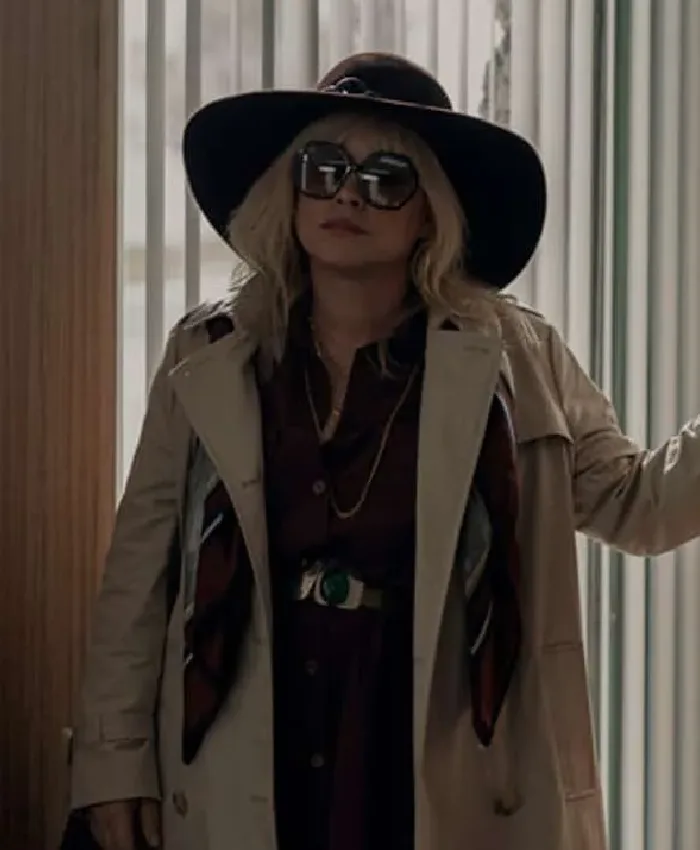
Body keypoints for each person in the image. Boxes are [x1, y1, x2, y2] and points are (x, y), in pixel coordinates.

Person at [68, 52, 700, 850]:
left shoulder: (516, 355)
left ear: (430, 213)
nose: (346, 195)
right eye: (323, 169)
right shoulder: (208, 352)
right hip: (240, 743)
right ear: (290, 191)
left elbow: (636, 505)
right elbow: (140, 573)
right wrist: (113, 761)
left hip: (435, 753)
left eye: (386, 178)